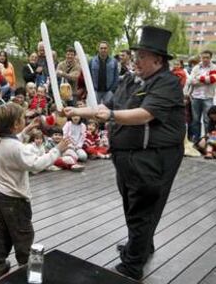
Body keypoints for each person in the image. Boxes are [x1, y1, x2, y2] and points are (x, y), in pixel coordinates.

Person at [64, 26, 185, 281]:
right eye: (136, 55)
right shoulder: (130, 79)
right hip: (127, 156)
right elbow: (106, 106)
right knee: (133, 206)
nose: (136, 60)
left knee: (142, 209)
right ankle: (140, 247)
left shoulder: (168, 83)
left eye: (142, 56)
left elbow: (145, 115)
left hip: (154, 157)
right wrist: (76, 112)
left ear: (158, 60)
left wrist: (109, 116)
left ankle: (132, 266)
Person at [0, 103, 70, 280]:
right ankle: (29, 272)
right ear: (15, 124)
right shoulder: (17, 149)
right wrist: (57, 150)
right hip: (14, 198)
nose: (25, 120)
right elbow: (35, 165)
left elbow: (15, 138)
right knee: (24, 234)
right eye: (22, 120)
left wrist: (27, 130)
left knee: (2, 231)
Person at [187, 50, 216, 142]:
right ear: (201, 57)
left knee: (208, 120)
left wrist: (199, 78)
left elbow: (212, 80)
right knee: (195, 120)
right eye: (203, 57)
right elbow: (190, 81)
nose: (205, 59)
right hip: (196, 97)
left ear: (210, 58)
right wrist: (204, 80)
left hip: (208, 97)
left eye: (207, 57)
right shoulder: (196, 68)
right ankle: (196, 140)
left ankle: (208, 141)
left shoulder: (214, 67)